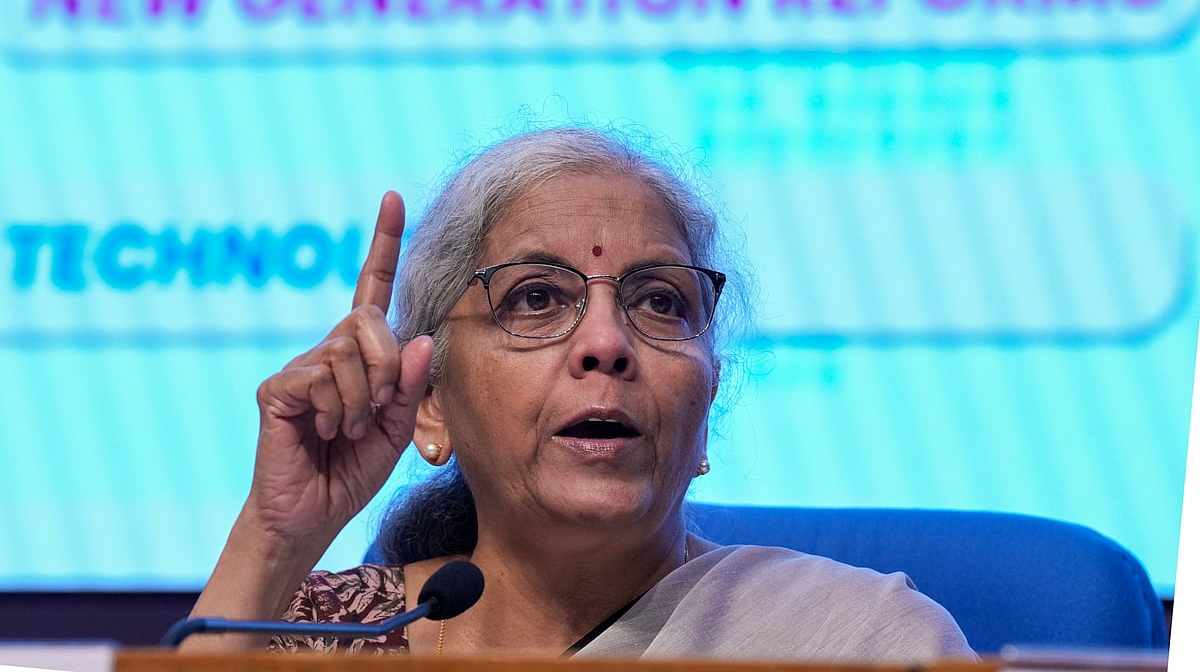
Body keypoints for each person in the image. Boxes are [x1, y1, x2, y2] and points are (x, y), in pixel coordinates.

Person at [183, 126, 973, 660]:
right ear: (430, 400)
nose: (606, 343)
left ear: (708, 396)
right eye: (536, 298)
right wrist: (275, 535)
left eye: (661, 301)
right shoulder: (308, 639)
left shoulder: (861, 646)